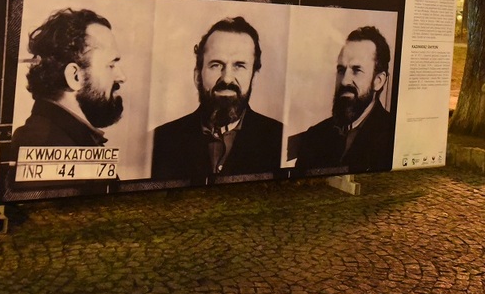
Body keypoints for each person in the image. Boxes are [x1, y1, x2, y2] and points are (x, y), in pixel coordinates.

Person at [151, 16, 283, 183]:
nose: (227, 78)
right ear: (197, 76)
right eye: (216, 65)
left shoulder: (277, 138)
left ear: (254, 77)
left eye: (239, 66)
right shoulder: (163, 139)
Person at [11, 8, 127, 150]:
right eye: (111, 65)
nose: (122, 77)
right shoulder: (50, 146)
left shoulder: (47, 137)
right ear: (75, 77)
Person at [294, 26, 394, 173]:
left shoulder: (393, 135)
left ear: (378, 81)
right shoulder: (315, 136)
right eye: (341, 70)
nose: (344, 81)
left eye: (357, 70)